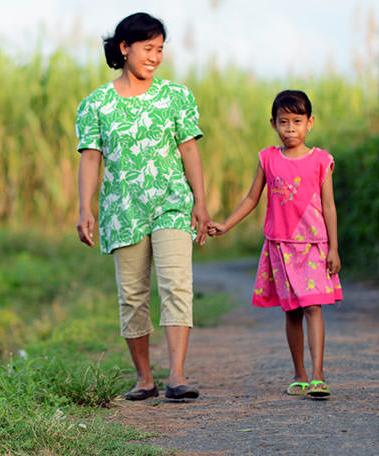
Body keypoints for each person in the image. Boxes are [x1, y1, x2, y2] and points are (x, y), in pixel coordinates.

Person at [75, 12, 211, 401]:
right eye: (148, 48)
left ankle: (178, 376)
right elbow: (89, 158)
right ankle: (145, 379)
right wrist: (85, 208)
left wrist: (200, 202)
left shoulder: (176, 96)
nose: (155, 56)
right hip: (122, 210)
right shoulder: (96, 104)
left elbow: (189, 148)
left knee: (176, 285)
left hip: (171, 203)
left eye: (160, 49)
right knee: (132, 295)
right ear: (125, 48)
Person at [207, 90, 342, 398]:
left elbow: (329, 206)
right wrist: (226, 225)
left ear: (310, 123)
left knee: (313, 306)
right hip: (280, 246)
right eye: (284, 122)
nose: (290, 128)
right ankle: (299, 374)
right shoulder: (267, 158)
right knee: (292, 311)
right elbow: (252, 198)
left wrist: (334, 247)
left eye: (297, 121)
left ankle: (319, 375)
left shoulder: (321, 160)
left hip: (313, 245)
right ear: (273, 124)